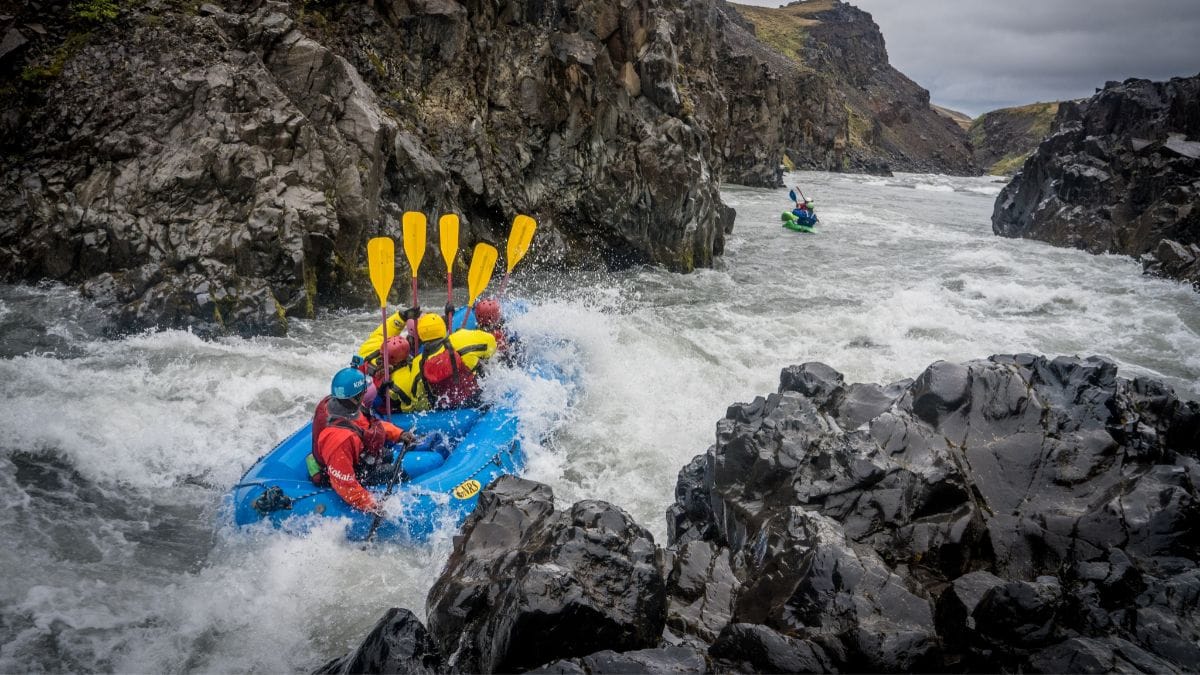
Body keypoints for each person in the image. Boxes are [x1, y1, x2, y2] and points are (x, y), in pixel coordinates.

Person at [307, 367, 413, 514]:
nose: (366, 392)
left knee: (387, 455)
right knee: (398, 472)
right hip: (342, 471)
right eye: (364, 390)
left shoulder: (343, 405)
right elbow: (345, 485)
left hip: (355, 456)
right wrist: (372, 505)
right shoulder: (339, 439)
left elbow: (367, 427)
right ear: (355, 397)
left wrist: (398, 434)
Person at [415, 313, 497, 409]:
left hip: (443, 407)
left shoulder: (418, 362)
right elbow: (492, 342)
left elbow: (415, 398)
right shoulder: (462, 337)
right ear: (443, 327)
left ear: (420, 335)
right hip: (473, 399)